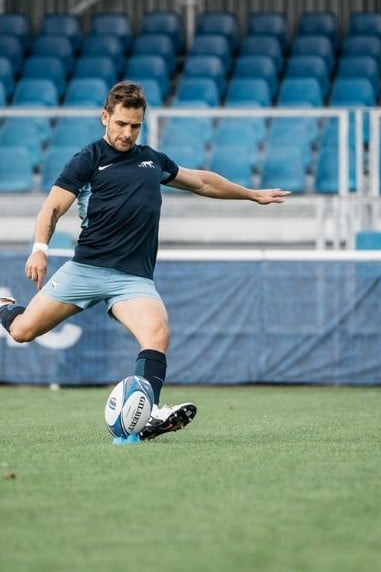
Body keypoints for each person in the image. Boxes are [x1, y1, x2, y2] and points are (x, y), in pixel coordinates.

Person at [0, 81, 289, 440]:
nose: (127, 132)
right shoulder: (88, 159)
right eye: (121, 124)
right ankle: (3, 305)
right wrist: (40, 248)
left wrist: (250, 195)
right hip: (85, 270)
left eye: (135, 125)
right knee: (23, 330)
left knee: (157, 333)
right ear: (105, 117)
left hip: (131, 278)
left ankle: (148, 413)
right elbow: (53, 207)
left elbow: (200, 181)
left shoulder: (152, 160)